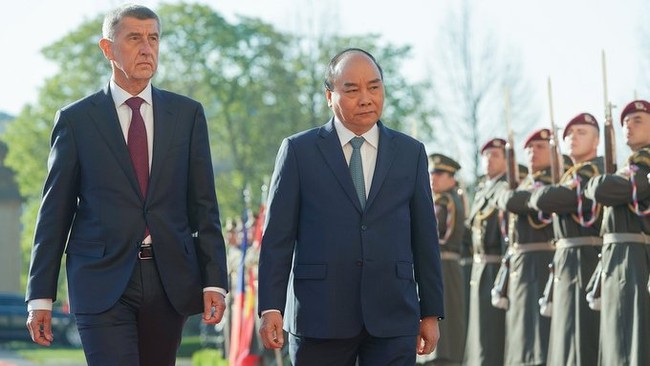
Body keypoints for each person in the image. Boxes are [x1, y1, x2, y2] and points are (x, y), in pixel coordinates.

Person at [24, 4, 228, 365]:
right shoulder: (76, 120)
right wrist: (40, 296)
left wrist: (214, 280)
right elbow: (54, 212)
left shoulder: (187, 115)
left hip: (169, 280)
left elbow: (204, 205)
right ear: (108, 48)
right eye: (134, 38)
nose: (147, 48)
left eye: (153, 38)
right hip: (100, 281)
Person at [257, 48, 444, 366]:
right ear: (330, 95)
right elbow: (278, 237)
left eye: (374, 87)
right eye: (352, 89)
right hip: (320, 316)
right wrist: (270, 306)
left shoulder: (410, 153)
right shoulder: (299, 151)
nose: (366, 98)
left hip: (393, 314)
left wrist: (431, 310)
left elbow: (424, 237)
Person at [529, 113, 602, 365]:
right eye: (569, 133)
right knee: (565, 339)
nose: (573, 137)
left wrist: (554, 192)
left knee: (585, 339)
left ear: (596, 141)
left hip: (587, 259)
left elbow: (543, 199)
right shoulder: (571, 175)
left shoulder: (597, 170)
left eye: (581, 132)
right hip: (566, 260)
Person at [584, 100, 650, 366]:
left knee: (633, 341)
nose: (628, 126)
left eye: (637, 120)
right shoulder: (629, 167)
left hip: (635, 258)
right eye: (625, 122)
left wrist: (599, 182)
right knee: (615, 340)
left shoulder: (643, 167)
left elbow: (603, 190)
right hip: (616, 257)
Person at [494, 128, 555, 366]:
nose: (533, 153)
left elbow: (511, 201)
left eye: (540, 147)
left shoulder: (551, 180)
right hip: (520, 263)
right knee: (521, 332)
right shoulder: (527, 182)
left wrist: (513, 196)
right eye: (529, 149)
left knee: (539, 333)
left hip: (540, 261)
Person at [463, 138, 509, 366]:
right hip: (479, 267)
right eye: (486, 155)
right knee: (478, 333)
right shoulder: (483, 191)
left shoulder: (504, 188)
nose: (489, 160)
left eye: (495, 155)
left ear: (506, 160)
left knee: (492, 334)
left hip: (495, 267)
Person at [417, 153, 465, 366]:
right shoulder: (437, 200)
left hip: (445, 264)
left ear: (452, 178)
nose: (433, 178)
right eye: (432, 173)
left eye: (439, 174)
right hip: (437, 263)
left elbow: (445, 237)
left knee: (445, 322)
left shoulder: (449, 200)